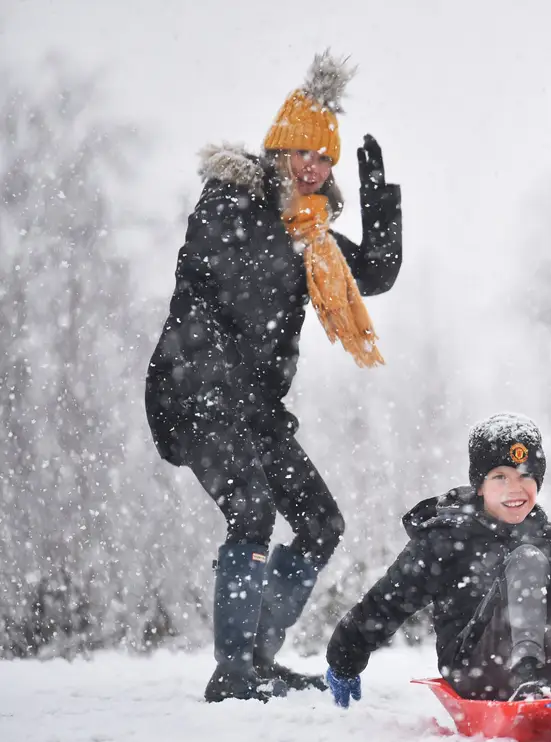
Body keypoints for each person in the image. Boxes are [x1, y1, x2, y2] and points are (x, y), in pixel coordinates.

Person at [144, 51, 403, 703]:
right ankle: (233, 672)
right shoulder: (228, 201)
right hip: (194, 392)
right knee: (252, 509)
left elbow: (373, 273)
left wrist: (377, 200)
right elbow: (241, 266)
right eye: (302, 155)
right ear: (278, 151)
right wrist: (302, 239)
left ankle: (258, 656)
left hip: (253, 409)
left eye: (325, 161)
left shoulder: (306, 233)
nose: (313, 169)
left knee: (320, 521)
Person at [324, 413, 551, 725]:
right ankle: (523, 675)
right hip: (477, 667)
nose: (515, 488)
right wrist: (344, 660)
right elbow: (388, 602)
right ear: (480, 485)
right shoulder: (447, 539)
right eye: (500, 476)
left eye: (525, 476)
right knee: (529, 559)